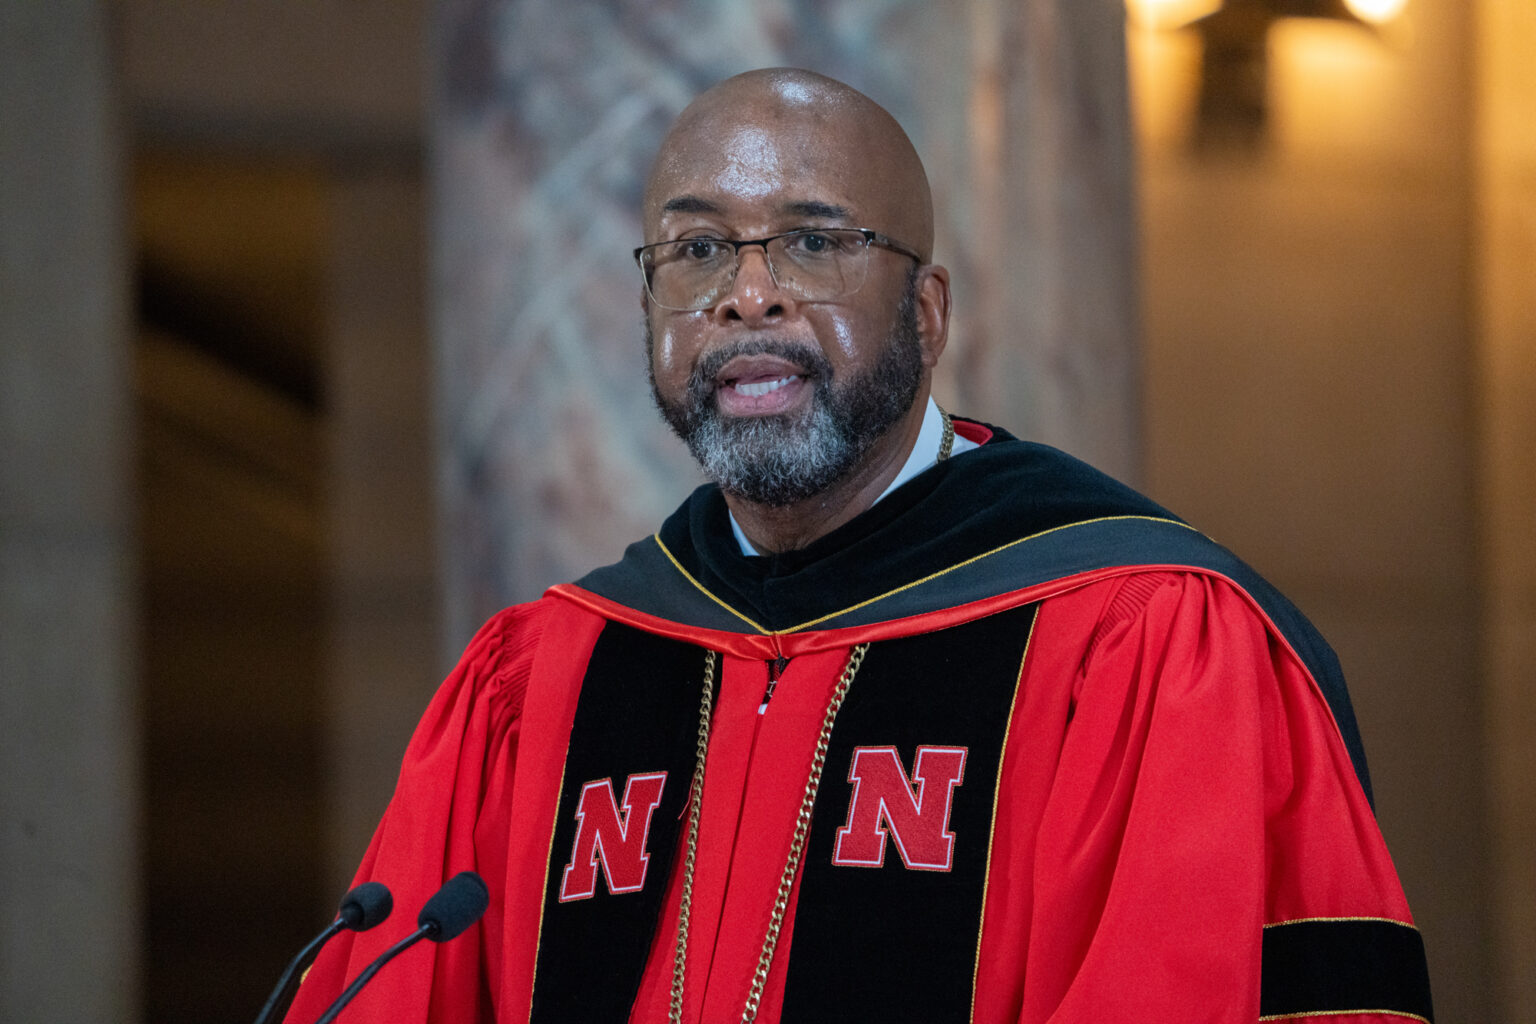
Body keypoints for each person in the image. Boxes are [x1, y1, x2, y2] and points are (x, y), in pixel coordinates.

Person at [286, 68, 1431, 1024]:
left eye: (812, 243)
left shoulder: (1141, 639)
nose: (746, 296)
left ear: (928, 315)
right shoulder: (544, 680)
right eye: (694, 253)